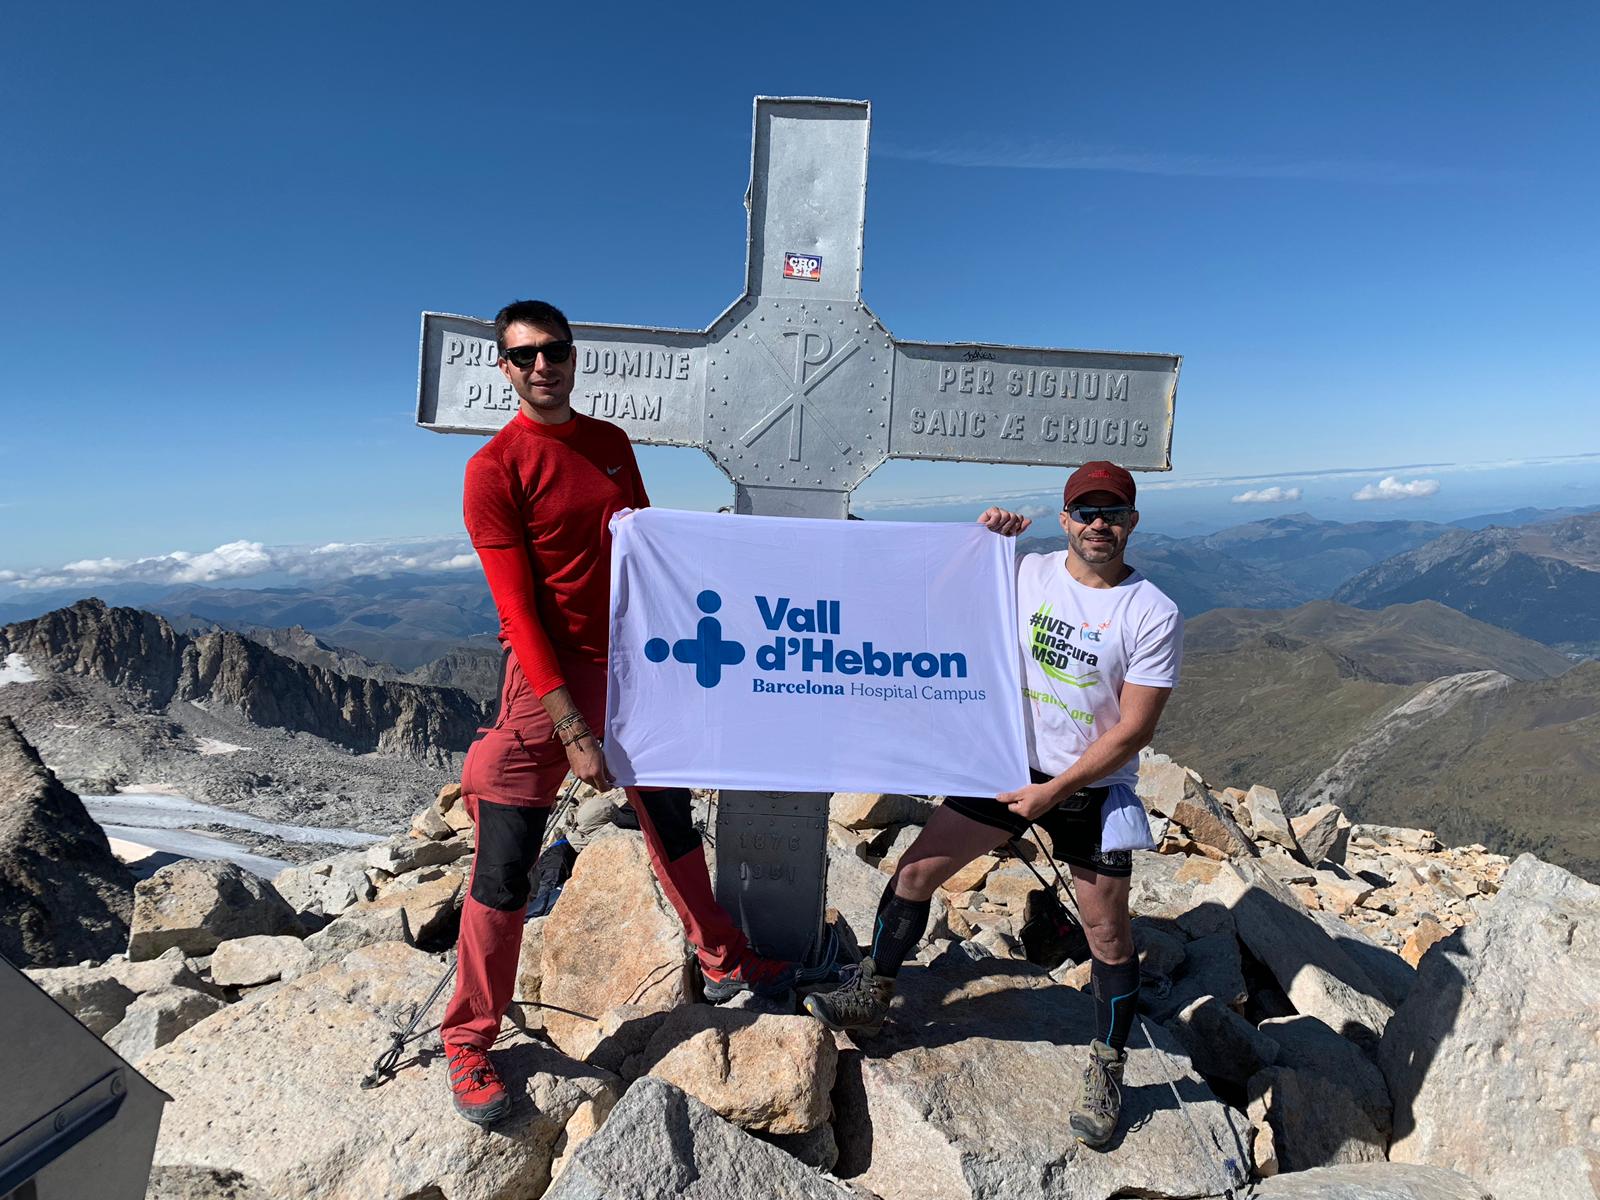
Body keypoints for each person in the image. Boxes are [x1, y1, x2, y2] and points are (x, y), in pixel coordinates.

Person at [442, 299, 798, 1126]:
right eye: (524, 356)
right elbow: (518, 612)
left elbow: (643, 544)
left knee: (670, 821)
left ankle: (723, 961)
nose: (542, 367)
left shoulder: (608, 445)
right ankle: (467, 1039)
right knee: (504, 865)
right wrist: (569, 727)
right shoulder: (495, 469)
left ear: (573, 357)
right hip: (545, 688)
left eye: (554, 351)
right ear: (504, 368)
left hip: (634, 670)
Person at [802, 460, 1183, 1150]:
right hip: (1003, 766)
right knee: (916, 872)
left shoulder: (1151, 610)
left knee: (1107, 934)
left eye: (1114, 513)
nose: (1100, 524)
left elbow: (1136, 728)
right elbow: (937, 600)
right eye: (1086, 512)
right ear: (1065, 519)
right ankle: (872, 990)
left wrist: (1053, 793)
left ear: (1132, 521)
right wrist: (979, 543)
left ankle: (1107, 1065)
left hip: (1087, 788)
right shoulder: (1028, 571)